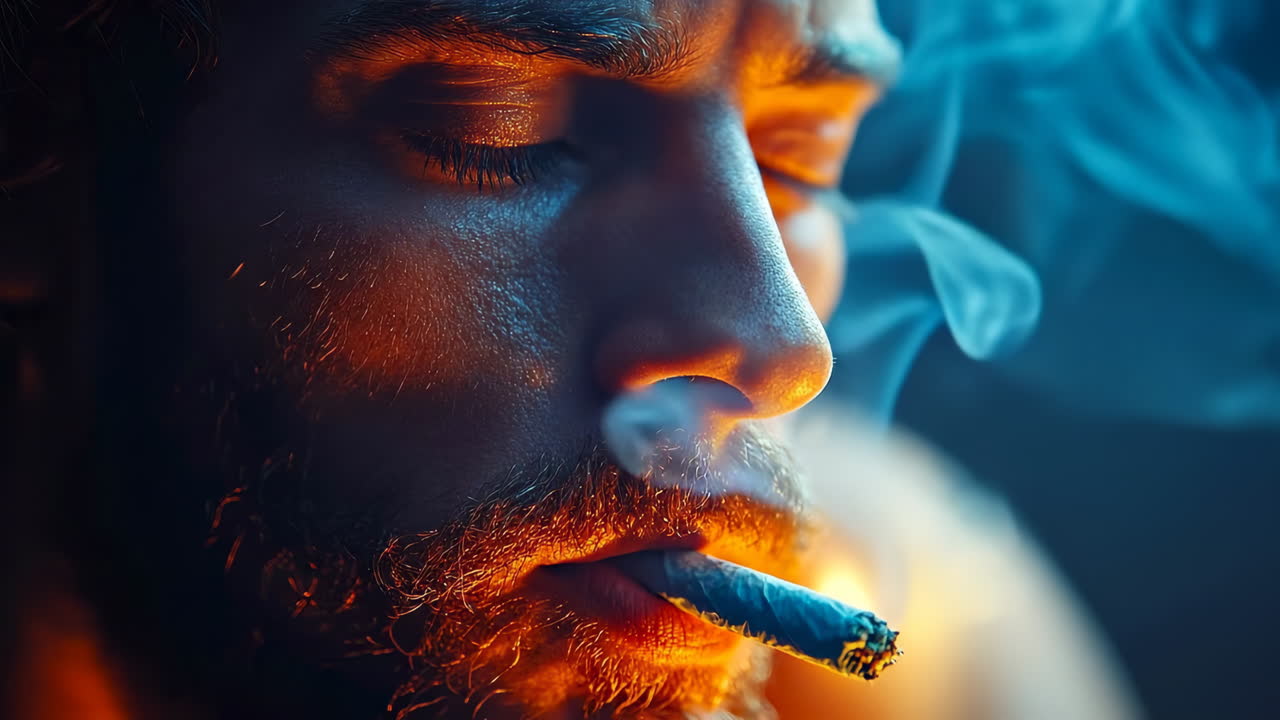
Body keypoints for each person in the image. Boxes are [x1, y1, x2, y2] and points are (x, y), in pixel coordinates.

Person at [0, 1, 1139, 718]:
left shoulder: (924, 631)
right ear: (34, 163)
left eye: (799, 155)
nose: (784, 345)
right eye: (499, 127)